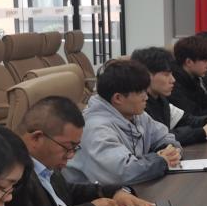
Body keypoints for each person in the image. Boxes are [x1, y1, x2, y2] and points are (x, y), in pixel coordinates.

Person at [18, 95, 154, 206]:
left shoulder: (45, 162)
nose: (71, 155)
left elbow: (68, 191)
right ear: (37, 138)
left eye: (75, 148)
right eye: (67, 147)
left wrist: (114, 192)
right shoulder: (11, 172)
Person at [63, 59, 181, 187]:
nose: (146, 97)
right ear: (118, 98)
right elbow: (122, 173)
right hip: (95, 195)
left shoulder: (135, 114)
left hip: (132, 188)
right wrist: (160, 160)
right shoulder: (96, 128)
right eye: (140, 92)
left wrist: (169, 151)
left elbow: (165, 137)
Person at [132, 46, 207, 145]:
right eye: (166, 75)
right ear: (146, 75)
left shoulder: (161, 99)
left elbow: (185, 120)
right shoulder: (138, 105)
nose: (173, 80)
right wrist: (202, 132)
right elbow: (160, 137)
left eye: (171, 74)